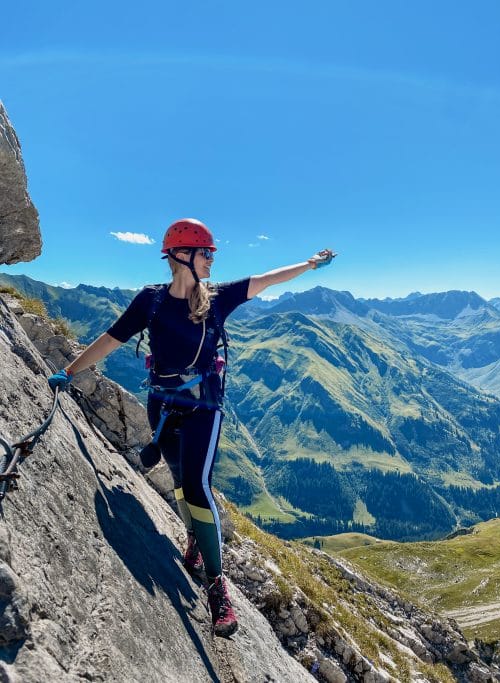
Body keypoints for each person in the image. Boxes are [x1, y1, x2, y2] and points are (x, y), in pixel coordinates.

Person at [48, 218, 336, 637]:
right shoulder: (150, 301)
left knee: (198, 484)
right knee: (182, 480)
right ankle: (194, 539)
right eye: (206, 253)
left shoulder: (217, 299)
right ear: (181, 256)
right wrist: (70, 371)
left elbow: (268, 279)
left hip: (204, 406)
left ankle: (218, 587)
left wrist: (309, 265)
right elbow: (111, 339)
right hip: (162, 406)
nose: (212, 260)